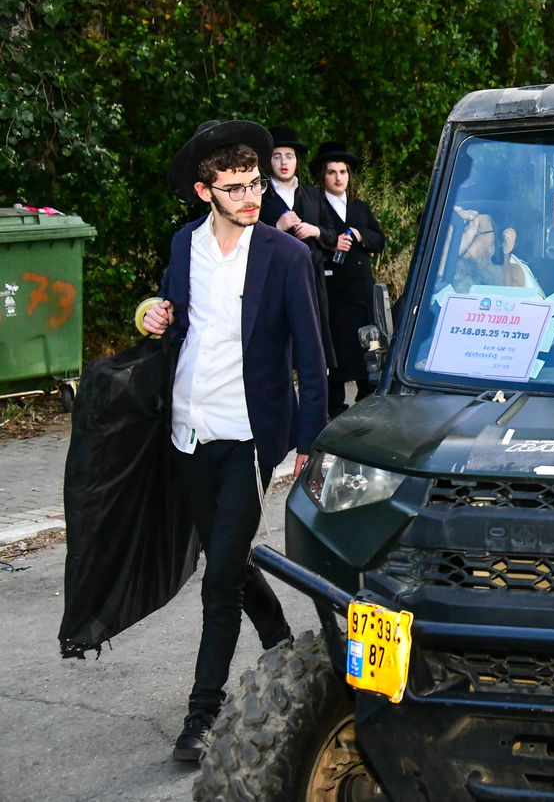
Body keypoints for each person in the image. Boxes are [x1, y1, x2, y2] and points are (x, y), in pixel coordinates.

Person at [136, 120, 327, 762]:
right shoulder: (183, 244)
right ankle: (282, 651)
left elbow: (312, 354)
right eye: (236, 187)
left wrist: (311, 444)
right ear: (204, 191)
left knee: (218, 579)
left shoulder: (286, 255)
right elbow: (169, 318)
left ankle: (203, 712)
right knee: (232, 561)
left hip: (249, 435)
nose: (252, 197)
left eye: (254, 184)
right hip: (187, 430)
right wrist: (151, 315)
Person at [313, 141, 386, 417]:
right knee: (337, 354)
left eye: (342, 172)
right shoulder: (317, 207)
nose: (338, 177)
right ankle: (335, 409)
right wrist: (332, 245)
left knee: (367, 350)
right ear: (324, 176)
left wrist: (359, 236)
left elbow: (379, 239)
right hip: (333, 291)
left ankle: (367, 405)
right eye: (332, 172)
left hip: (361, 292)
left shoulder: (359, 207)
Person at [259, 125, 337, 366]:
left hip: (311, 276)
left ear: (297, 161)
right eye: (277, 156)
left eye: (289, 156)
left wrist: (315, 231)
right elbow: (248, 237)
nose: (284, 162)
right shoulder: (258, 195)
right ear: (269, 161)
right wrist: (277, 227)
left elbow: (333, 234)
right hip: (275, 277)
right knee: (280, 343)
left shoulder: (313, 194)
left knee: (313, 338)